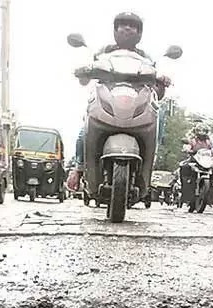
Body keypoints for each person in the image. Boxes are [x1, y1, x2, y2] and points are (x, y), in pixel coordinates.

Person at [67, 12, 168, 192]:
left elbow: (158, 93)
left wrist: (162, 82)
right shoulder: (103, 52)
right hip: (108, 97)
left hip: (137, 101)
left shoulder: (146, 57)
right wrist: (83, 72)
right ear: (115, 29)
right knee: (84, 130)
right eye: (123, 25)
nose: (127, 29)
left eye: (133, 26)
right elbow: (85, 80)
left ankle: (147, 169)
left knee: (158, 119)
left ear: (139, 32)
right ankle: (79, 168)